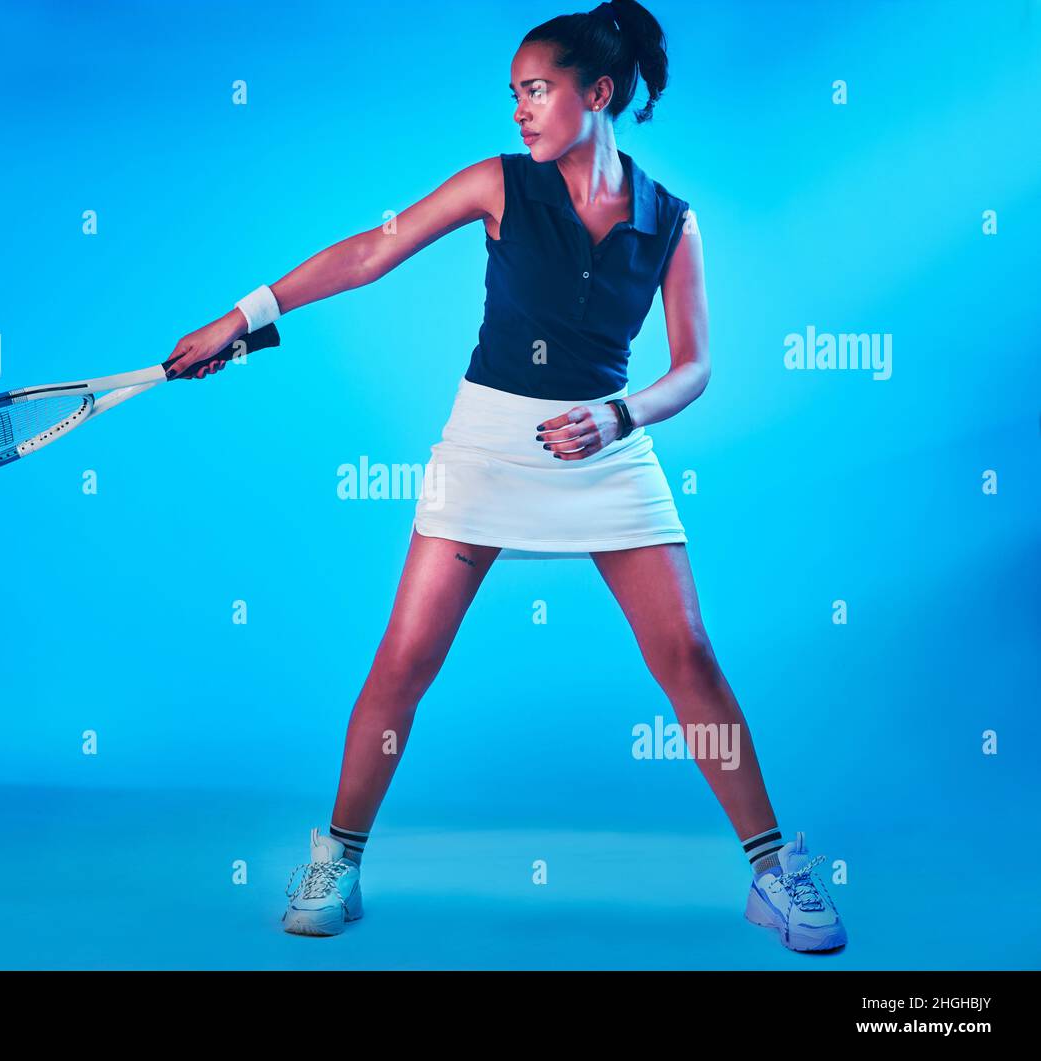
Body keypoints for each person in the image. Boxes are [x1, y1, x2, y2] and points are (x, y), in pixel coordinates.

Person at [166, 0, 847, 953]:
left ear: (596, 93)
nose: (521, 112)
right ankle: (340, 858)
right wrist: (239, 317)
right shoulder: (498, 185)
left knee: (688, 657)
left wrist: (620, 415)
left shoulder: (673, 224)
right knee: (405, 659)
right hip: (486, 442)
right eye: (516, 95)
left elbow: (694, 366)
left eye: (538, 91)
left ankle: (776, 872)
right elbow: (373, 250)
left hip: (606, 447)